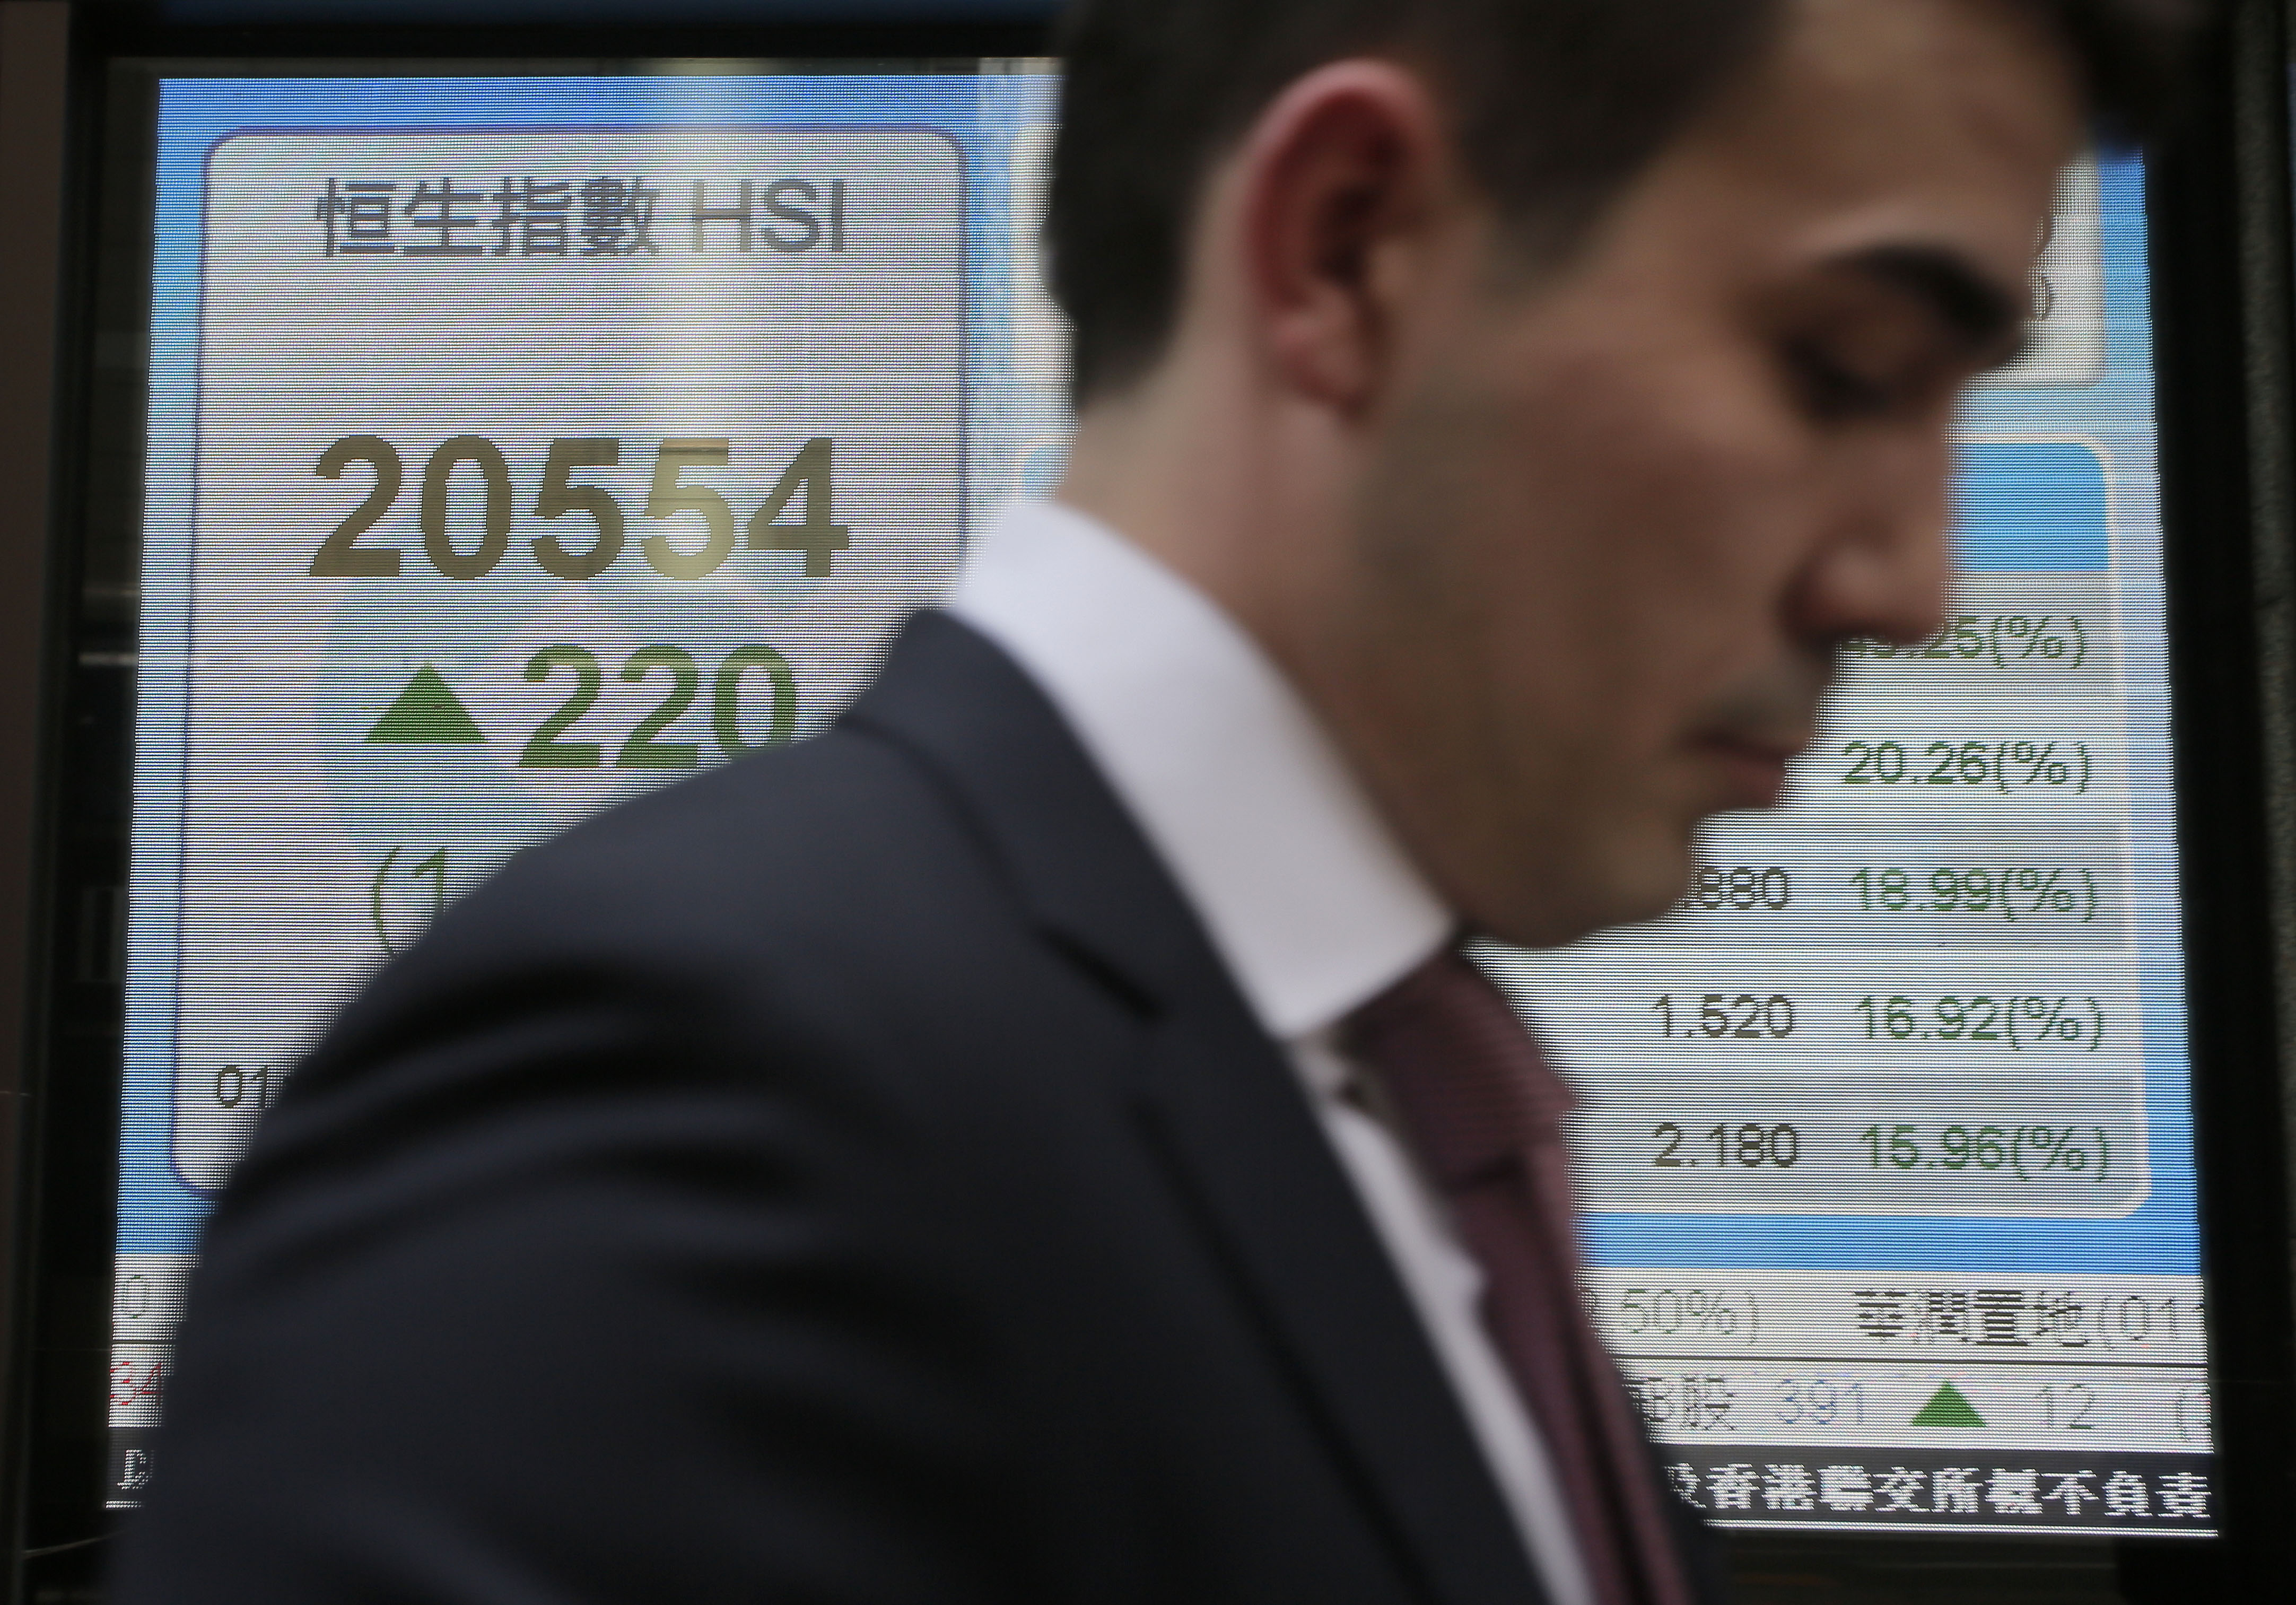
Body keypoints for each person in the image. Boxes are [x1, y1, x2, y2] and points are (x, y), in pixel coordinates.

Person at [116, 2, 2194, 1602]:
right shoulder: (673, 1096)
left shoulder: (1390, 1095)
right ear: (1349, 244)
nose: (1914, 584)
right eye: (1839, 368)